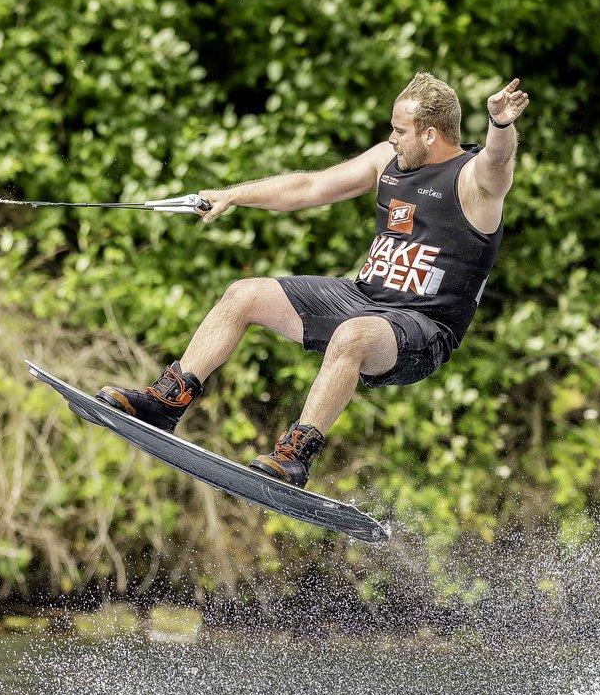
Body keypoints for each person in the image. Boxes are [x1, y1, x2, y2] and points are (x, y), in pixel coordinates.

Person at [97, 72, 528, 488]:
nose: (392, 138)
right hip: (364, 298)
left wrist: (500, 124)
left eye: (400, 130)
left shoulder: (474, 182)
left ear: (431, 134)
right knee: (244, 294)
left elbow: (498, 161)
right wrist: (233, 194)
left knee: (353, 336)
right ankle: (165, 401)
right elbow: (308, 187)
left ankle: (294, 456)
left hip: (423, 328)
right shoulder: (386, 160)